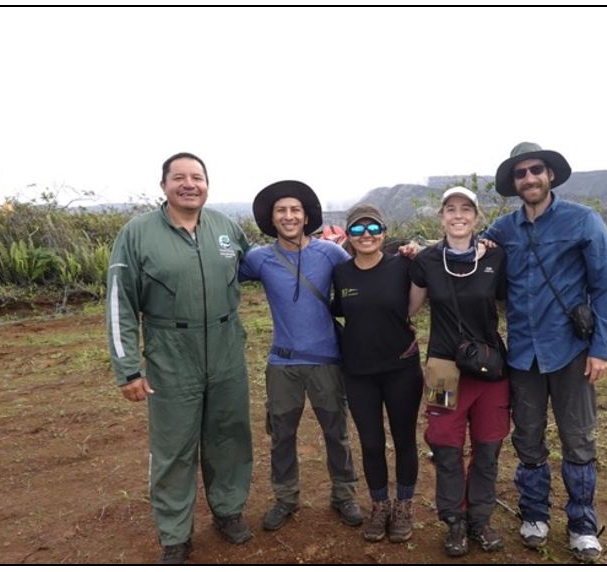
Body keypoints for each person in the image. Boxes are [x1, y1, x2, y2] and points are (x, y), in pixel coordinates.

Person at [106, 152, 253, 564]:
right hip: (171, 351)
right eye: (179, 178)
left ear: (208, 183)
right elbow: (120, 302)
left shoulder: (225, 227)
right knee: (173, 447)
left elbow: (261, 263)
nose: (189, 184)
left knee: (229, 435)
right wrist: (128, 368)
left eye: (198, 177)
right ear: (164, 185)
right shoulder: (137, 234)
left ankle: (228, 511)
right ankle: (174, 534)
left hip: (225, 346)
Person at [484, 143, 607, 562]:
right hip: (522, 354)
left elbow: (606, 285)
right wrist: (418, 252)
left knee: (578, 439)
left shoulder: (583, 221)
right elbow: (466, 250)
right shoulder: (503, 230)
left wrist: (601, 349)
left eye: (536, 170)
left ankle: (582, 523)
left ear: (551, 175)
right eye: (521, 173)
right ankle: (534, 513)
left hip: (572, 351)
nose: (529, 178)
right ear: (513, 183)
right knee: (527, 438)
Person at [238, 180, 362, 533]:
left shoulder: (330, 253)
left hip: (326, 361)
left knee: (336, 432)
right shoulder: (259, 259)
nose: (289, 216)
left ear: (306, 216)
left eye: (295, 210)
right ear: (271, 218)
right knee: (281, 435)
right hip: (282, 364)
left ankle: (344, 495)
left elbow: (365, 272)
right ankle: (286, 498)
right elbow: (223, 276)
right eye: (281, 211)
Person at [408, 187, 511, 557]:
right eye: (450, 209)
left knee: (488, 447)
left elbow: (509, 304)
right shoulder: (427, 260)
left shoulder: (496, 259)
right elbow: (410, 309)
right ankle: (454, 521)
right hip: (442, 369)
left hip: (489, 371)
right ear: (441, 217)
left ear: (476, 217)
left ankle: (479, 519)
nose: (458, 215)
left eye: (466, 209)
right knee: (446, 447)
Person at [328, 203, 424, 543]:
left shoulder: (404, 266)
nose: (365, 235)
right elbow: (335, 310)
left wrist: (418, 249)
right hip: (358, 372)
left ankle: (404, 506)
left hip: (401, 369)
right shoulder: (340, 273)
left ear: (383, 232)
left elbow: (427, 282)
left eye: (372, 228)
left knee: (404, 440)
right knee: (370, 443)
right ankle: (380, 505)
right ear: (349, 236)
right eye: (357, 229)